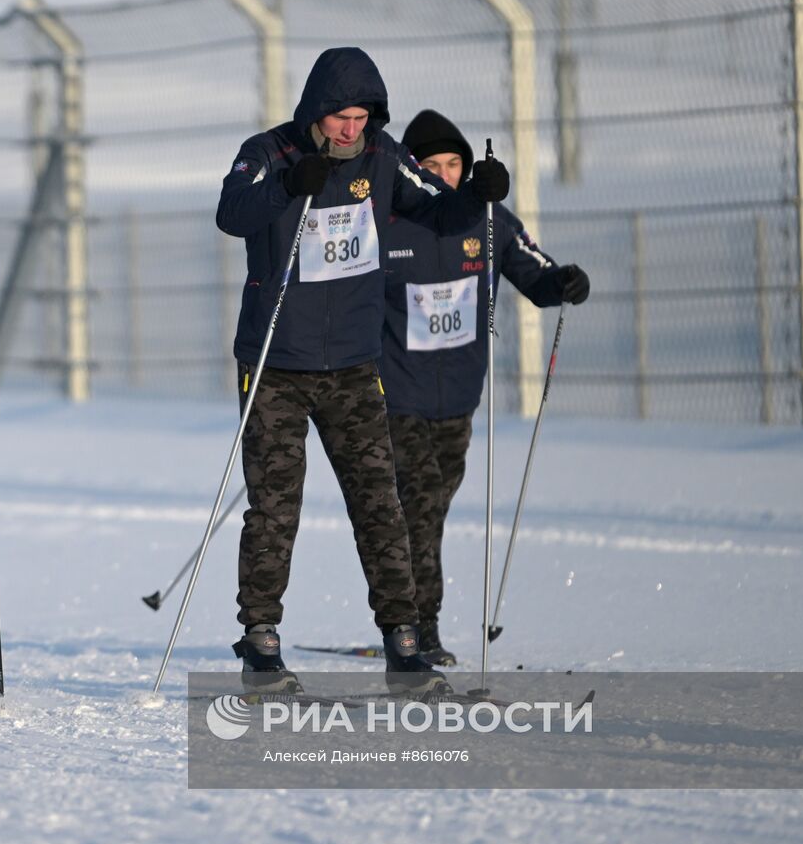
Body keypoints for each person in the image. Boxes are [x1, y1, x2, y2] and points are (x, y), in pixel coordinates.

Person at [215, 47, 511, 692]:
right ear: (316, 111)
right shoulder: (271, 152)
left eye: (361, 117)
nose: (350, 130)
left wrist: (479, 198)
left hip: (353, 363)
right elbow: (232, 212)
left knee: (380, 503)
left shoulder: (385, 155)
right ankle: (261, 641)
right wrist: (289, 185)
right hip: (277, 363)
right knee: (274, 507)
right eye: (339, 117)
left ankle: (403, 642)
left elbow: (437, 209)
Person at [379, 109, 590, 665]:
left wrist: (563, 281)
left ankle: (402, 611)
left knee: (429, 512)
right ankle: (419, 632)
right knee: (420, 506)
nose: (445, 176)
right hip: (394, 397)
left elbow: (536, 274)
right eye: (431, 166)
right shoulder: (390, 222)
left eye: (454, 165)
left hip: (458, 400)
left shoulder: (491, 222)